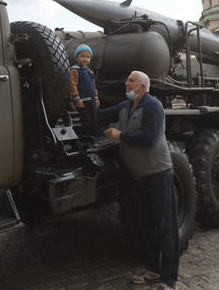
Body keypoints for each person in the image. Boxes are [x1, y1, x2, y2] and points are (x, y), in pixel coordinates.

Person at [98, 71, 179, 290]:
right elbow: (102, 114)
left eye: (131, 81)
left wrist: (119, 135)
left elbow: (149, 138)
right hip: (140, 178)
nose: (126, 83)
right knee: (147, 226)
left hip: (158, 175)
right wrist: (84, 101)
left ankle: (169, 280)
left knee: (165, 228)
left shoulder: (152, 106)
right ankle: (153, 270)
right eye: (127, 80)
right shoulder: (126, 106)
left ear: (142, 86)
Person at [69, 44, 102, 139]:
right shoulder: (75, 71)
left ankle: (96, 136)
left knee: (94, 118)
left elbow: (93, 86)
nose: (85, 59)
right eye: (82, 56)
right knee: (86, 119)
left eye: (88, 57)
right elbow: (73, 85)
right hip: (82, 101)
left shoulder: (90, 72)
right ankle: (85, 137)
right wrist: (76, 98)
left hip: (91, 100)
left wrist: (96, 97)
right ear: (76, 57)